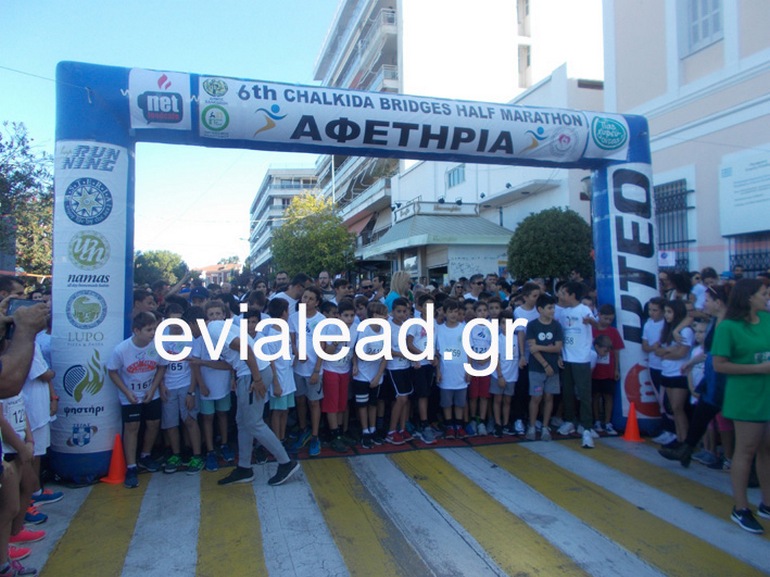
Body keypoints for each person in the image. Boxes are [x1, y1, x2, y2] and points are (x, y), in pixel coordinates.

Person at [204, 317, 300, 487]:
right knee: (243, 422)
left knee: (254, 423)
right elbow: (233, 361)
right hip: (250, 374)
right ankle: (244, 468)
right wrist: (200, 362)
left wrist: (257, 379)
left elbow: (245, 349)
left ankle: (286, 463)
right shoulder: (218, 328)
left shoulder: (213, 328)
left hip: (252, 375)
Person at [711, 278, 770, 534]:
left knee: (767, 449)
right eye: (763, 293)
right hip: (745, 397)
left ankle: (767, 503)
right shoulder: (728, 327)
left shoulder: (766, 320)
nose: (767, 297)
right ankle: (741, 508)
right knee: (745, 450)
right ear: (748, 297)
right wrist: (758, 369)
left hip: (767, 393)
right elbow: (719, 365)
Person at [659, 284, 733, 468]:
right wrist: (677, 333)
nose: (704, 304)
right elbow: (690, 315)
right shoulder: (714, 319)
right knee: (702, 416)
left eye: (707, 300)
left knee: (725, 422)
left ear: (718, 302)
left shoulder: (729, 323)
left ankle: (728, 458)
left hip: (722, 379)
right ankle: (687, 449)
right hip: (712, 377)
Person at [107, 312, 167, 488]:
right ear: (136, 330)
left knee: (153, 423)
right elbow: (112, 371)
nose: (153, 333)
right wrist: (126, 392)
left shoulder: (157, 345)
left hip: (150, 392)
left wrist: (153, 388)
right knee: (132, 427)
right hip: (130, 395)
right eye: (149, 330)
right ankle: (131, 466)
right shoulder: (122, 349)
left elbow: (162, 367)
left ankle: (145, 455)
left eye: (154, 329)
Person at [157, 305, 203, 474]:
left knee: (190, 420)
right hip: (168, 387)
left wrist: (191, 391)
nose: (176, 324)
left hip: (185, 385)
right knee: (171, 424)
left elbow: (194, 366)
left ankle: (197, 456)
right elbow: (158, 366)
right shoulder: (161, 338)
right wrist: (161, 385)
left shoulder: (190, 339)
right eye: (172, 320)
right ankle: (175, 455)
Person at [188, 303, 235, 472]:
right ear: (206, 318)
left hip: (224, 385)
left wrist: (232, 379)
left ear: (224, 316)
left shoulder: (228, 337)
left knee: (223, 415)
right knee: (207, 418)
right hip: (206, 386)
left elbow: (231, 363)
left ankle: (224, 444)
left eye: (218, 313)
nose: (215, 317)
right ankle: (210, 451)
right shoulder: (200, 340)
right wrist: (201, 384)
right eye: (211, 314)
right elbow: (195, 363)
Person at [555, 281, 598, 448]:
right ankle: (569, 421)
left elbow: (596, 323)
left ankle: (587, 428)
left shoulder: (584, 309)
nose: (561, 296)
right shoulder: (563, 312)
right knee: (567, 392)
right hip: (566, 358)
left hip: (581, 359)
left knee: (584, 393)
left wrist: (590, 321)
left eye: (564, 293)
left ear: (572, 295)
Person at [289, 286, 325, 457]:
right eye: (305, 297)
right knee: (300, 401)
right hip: (298, 369)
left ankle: (315, 436)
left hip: (314, 370)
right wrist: (297, 353)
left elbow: (322, 346)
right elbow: (292, 340)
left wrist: (317, 370)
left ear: (317, 302)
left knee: (314, 403)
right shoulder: (293, 317)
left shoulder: (322, 320)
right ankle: (304, 430)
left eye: (311, 298)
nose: (307, 301)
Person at [655, 300, 694, 444]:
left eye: (669, 312)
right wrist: (669, 350)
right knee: (673, 408)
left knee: (678, 408)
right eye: (665, 312)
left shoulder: (685, 331)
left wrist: (665, 353)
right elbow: (657, 350)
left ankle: (685, 441)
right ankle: (678, 437)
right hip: (667, 372)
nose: (666, 315)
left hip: (679, 374)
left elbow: (681, 353)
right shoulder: (667, 330)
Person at [320, 300, 356, 452]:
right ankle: (334, 435)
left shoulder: (355, 329)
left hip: (345, 370)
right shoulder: (332, 328)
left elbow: (353, 350)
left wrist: (355, 364)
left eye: (352, 315)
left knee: (342, 404)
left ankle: (340, 432)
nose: (349, 319)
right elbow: (326, 352)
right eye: (346, 315)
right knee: (332, 405)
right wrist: (336, 342)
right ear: (339, 316)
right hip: (331, 370)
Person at [526, 294, 563, 442]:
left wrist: (540, 347)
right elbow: (532, 349)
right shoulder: (532, 325)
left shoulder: (556, 326)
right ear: (540, 309)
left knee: (549, 397)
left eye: (553, 308)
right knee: (536, 397)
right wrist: (545, 364)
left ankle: (545, 426)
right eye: (549, 308)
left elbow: (558, 347)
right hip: (537, 368)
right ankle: (532, 426)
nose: (552, 311)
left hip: (553, 369)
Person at [352, 301, 388, 449]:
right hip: (362, 375)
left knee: (373, 404)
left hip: (376, 375)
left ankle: (373, 429)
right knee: (363, 405)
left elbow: (386, 357)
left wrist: (378, 376)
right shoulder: (365, 331)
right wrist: (355, 365)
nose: (386, 317)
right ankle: (365, 431)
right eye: (383, 314)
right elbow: (360, 353)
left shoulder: (384, 331)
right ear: (374, 315)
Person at [260, 299, 296, 447]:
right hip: (279, 379)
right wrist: (275, 383)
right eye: (287, 310)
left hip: (288, 377)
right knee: (277, 411)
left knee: (285, 410)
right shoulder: (272, 335)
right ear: (283, 313)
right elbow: (271, 361)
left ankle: (282, 436)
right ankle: (276, 441)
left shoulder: (284, 330)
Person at [435, 299, 469, 439]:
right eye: (450, 311)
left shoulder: (464, 328)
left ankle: (459, 426)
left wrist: (469, 370)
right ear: (445, 313)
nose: (454, 314)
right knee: (447, 402)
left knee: (460, 402)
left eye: (456, 311)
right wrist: (438, 371)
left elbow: (469, 351)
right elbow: (438, 353)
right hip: (446, 371)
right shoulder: (439, 330)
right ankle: (449, 426)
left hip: (461, 371)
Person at [406, 293, 437, 444]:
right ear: (420, 307)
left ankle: (422, 422)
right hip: (418, 364)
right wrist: (425, 354)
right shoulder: (415, 323)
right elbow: (409, 344)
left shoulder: (434, 323)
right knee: (421, 394)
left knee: (426, 394)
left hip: (429, 364)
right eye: (426, 305)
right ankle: (423, 425)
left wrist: (434, 356)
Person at [591, 304, 624, 435]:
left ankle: (608, 422)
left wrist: (616, 369)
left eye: (610, 319)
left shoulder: (613, 332)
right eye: (605, 318)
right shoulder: (592, 330)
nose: (608, 321)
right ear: (599, 315)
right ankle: (597, 421)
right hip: (594, 370)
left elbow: (616, 351)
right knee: (595, 396)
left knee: (608, 396)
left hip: (608, 370)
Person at [513, 282, 541, 435]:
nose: (536, 299)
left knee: (536, 389)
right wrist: (523, 355)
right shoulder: (518, 312)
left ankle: (534, 418)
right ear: (525, 297)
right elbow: (520, 334)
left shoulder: (540, 310)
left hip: (539, 356)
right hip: (524, 356)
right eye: (534, 296)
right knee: (522, 388)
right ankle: (518, 418)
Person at [467, 300, 492, 436]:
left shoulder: (491, 328)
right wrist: (473, 362)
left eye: (484, 310)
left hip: (486, 368)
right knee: (473, 396)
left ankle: (482, 421)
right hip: (474, 367)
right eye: (479, 311)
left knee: (484, 396)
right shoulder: (471, 328)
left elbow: (495, 347)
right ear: (475, 313)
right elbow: (469, 347)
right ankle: (473, 419)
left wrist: (486, 359)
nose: (482, 313)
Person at [493, 310, 518, 438]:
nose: (506, 326)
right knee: (498, 400)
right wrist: (500, 376)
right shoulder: (497, 339)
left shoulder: (517, 339)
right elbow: (495, 358)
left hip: (512, 375)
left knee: (507, 400)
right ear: (499, 324)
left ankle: (506, 423)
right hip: (499, 375)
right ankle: (497, 424)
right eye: (503, 323)